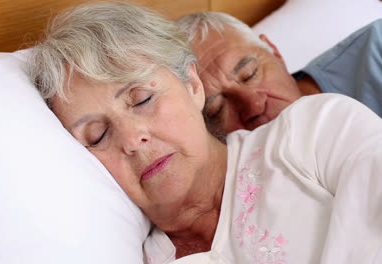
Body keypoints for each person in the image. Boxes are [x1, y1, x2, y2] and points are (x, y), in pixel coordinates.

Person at [28, 2, 382, 263]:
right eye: (98, 136)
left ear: (192, 85)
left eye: (142, 99)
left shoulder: (315, 129)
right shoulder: (129, 256)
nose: (133, 139)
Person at [176, 12, 382, 139]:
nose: (253, 106)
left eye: (250, 74)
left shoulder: (377, 49)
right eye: (217, 109)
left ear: (275, 52)